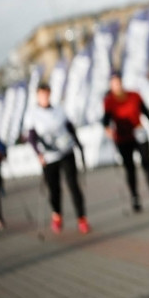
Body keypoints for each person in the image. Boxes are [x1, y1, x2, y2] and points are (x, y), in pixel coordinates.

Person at [28, 83, 91, 234]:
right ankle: (57, 215)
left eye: (46, 94)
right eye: (41, 94)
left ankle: (82, 218)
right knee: (54, 189)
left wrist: (78, 144)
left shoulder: (59, 109)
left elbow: (70, 128)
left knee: (73, 186)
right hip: (49, 157)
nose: (44, 97)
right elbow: (31, 137)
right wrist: (39, 154)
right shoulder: (33, 114)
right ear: (37, 96)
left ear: (49, 94)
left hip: (66, 152)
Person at [102, 72, 149, 212]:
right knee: (130, 168)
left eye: (118, 82)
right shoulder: (109, 101)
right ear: (111, 85)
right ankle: (135, 197)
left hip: (139, 133)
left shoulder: (134, 95)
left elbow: (145, 112)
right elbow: (106, 120)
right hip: (123, 138)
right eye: (114, 83)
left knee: (147, 164)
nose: (117, 86)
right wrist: (107, 129)